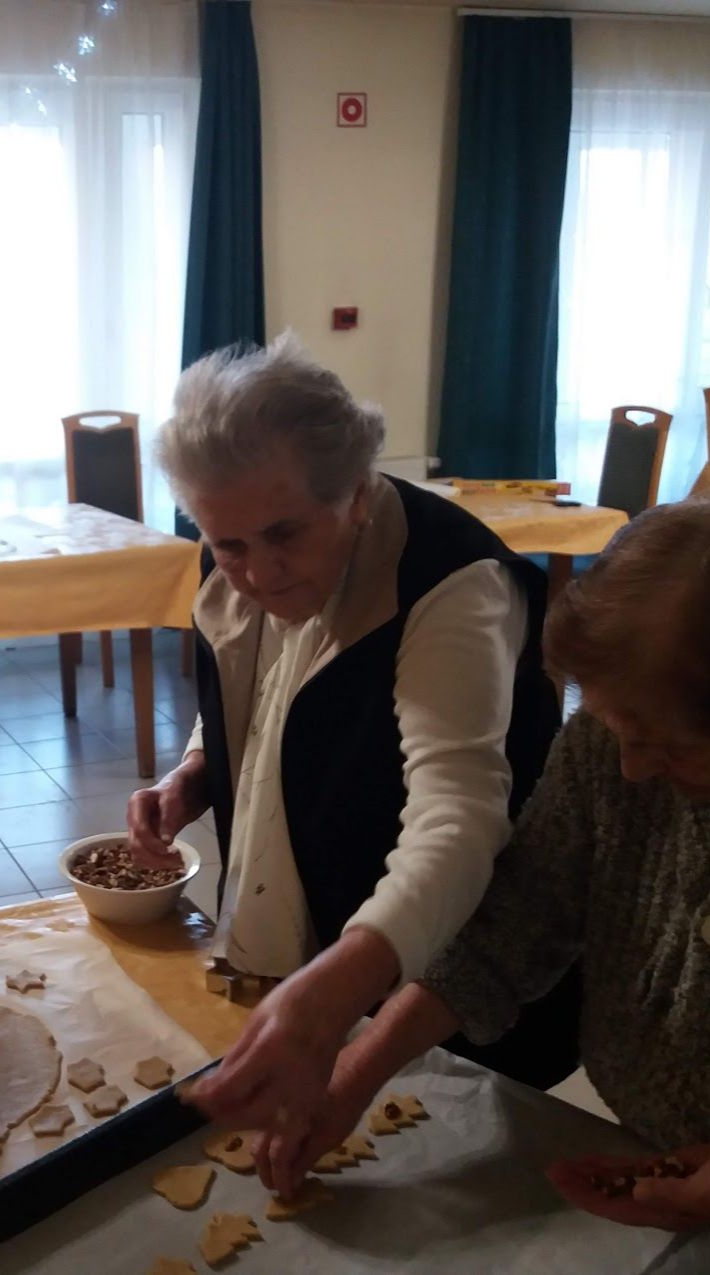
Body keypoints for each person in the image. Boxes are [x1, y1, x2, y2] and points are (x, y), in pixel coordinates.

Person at [229, 498, 710, 1272]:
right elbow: (519, 913)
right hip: (656, 1160)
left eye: (665, 748)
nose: (629, 768)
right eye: (614, 733)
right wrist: (351, 1076)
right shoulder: (632, 706)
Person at [130, 333, 575, 1143]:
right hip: (331, 935)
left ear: (358, 494)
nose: (257, 574)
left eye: (285, 535)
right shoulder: (235, 542)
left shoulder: (453, 583)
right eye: (228, 545)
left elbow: (458, 817)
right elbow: (259, 682)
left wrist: (336, 988)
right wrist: (197, 767)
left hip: (456, 966)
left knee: (447, 1145)